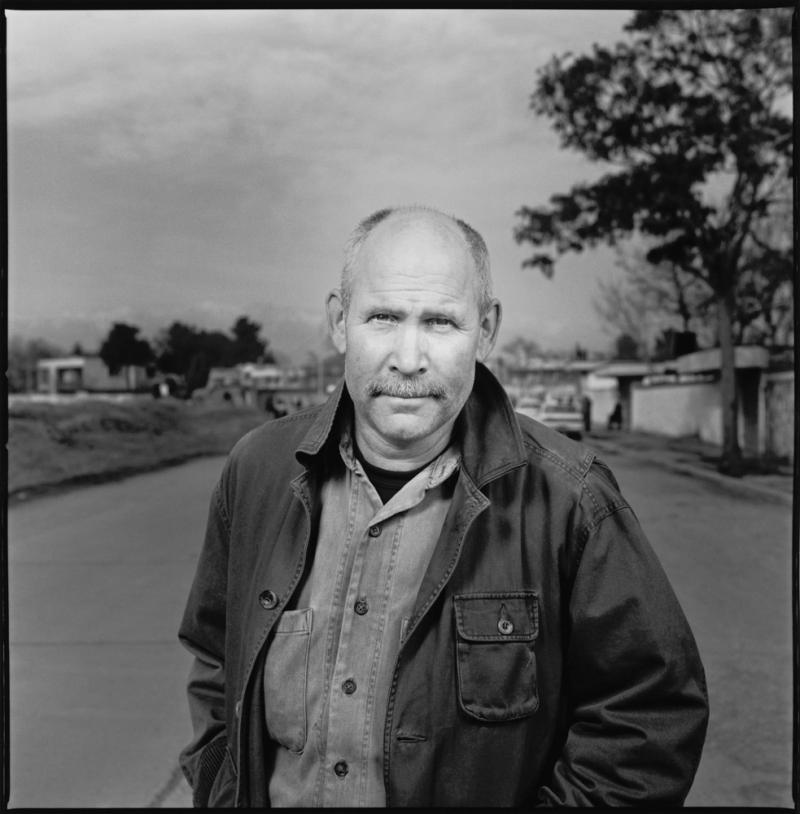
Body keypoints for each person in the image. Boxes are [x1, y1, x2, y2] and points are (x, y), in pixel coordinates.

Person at [178, 205, 709, 807]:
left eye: (440, 322)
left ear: (485, 330)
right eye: (382, 317)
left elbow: (651, 718)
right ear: (338, 321)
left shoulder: (574, 503)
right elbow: (215, 664)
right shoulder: (256, 472)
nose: (408, 358)